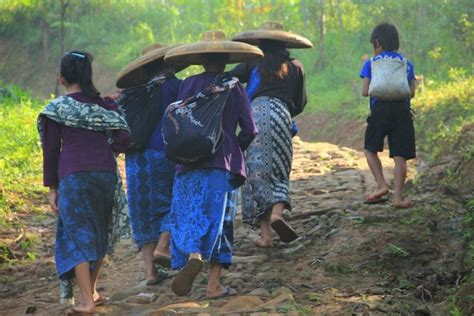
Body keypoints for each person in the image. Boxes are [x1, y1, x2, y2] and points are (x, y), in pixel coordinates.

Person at [163, 31, 261, 298]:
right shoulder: (235, 86)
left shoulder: (188, 84)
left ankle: (193, 253)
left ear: (202, 58)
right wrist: (233, 148)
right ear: (227, 59)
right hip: (222, 164)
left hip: (187, 161)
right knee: (221, 220)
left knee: (190, 211)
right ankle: (214, 285)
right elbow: (250, 129)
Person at [38, 51, 130, 315]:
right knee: (100, 230)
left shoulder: (57, 109)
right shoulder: (105, 105)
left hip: (73, 176)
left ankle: (87, 301)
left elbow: (51, 150)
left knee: (76, 236)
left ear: (62, 78)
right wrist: (104, 147)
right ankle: (93, 291)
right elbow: (124, 138)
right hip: (105, 173)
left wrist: (52, 187)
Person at [231, 22, 312, 247]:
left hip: (254, 117)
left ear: (260, 44)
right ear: (284, 43)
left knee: (255, 174)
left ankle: (266, 236)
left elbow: (228, 79)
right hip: (281, 118)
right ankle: (277, 213)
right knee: (280, 168)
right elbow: (300, 103)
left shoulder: (252, 64)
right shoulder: (295, 66)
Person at [115, 44, 186, 285]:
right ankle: (164, 245)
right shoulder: (178, 86)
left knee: (142, 211)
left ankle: (150, 272)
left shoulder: (133, 92)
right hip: (166, 153)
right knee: (173, 200)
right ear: (170, 63)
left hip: (135, 157)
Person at [360, 22, 416, 208]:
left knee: (370, 149)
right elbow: (411, 92)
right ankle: (398, 198)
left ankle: (382, 185)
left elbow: (365, 91)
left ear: (377, 42)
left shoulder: (370, 63)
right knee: (400, 156)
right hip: (402, 111)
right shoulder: (406, 64)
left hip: (379, 111)